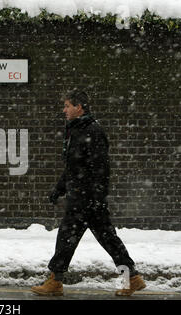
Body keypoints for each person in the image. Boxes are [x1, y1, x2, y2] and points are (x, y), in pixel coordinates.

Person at [31, 89, 146, 297]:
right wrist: (60, 188)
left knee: (67, 237)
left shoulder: (92, 131)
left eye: (67, 106)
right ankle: (132, 278)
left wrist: (94, 196)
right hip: (84, 197)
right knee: (107, 239)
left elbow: (101, 167)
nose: (64, 110)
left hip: (86, 198)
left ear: (79, 107)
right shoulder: (75, 130)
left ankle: (55, 281)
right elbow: (74, 166)